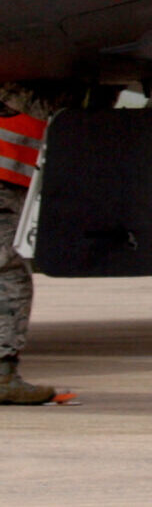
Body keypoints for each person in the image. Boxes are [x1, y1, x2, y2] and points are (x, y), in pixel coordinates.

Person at [0, 84, 69, 406]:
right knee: (9, 272)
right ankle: (2, 376)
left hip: (10, 181)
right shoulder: (25, 82)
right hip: (4, 182)